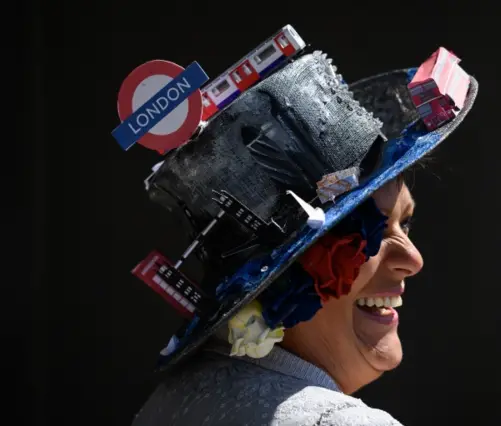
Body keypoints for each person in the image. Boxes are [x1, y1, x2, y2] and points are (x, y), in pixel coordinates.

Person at [127, 30, 478, 426]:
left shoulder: (169, 403)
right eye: (377, 234)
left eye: (406, 222)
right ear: (293, 272)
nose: (414, 260)